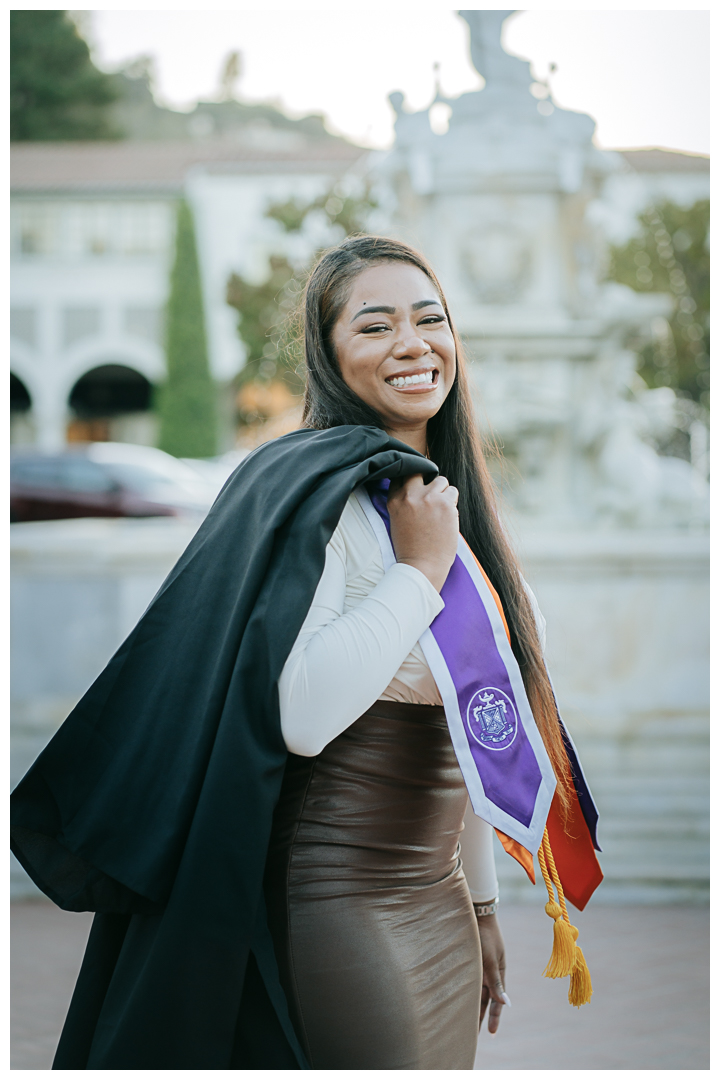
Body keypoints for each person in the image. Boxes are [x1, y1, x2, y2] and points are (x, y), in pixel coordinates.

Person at [11, 235, 601, 1070]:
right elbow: (304, 713)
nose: (412, 343)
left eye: (430, 319)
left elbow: (475, 728)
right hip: (342, 900)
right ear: (328, 355)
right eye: (375, 326)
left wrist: (482, 907)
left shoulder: (448, 514)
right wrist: (421, 571)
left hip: (439, 904)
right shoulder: (321, 500)